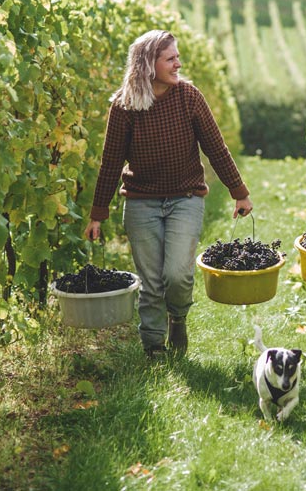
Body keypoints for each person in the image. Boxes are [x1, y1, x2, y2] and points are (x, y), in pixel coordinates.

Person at [84, 30, 252, 360]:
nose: (179, 63)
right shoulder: (124, 106)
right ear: (149, 65)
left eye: (177, 57)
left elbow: (215, 148)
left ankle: (178, 318)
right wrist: (98, 212)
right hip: (140, 201)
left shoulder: (188, 96)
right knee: (150, 281)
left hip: (185, 198)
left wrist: (239, 192)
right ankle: (153, 347)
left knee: (177, 274)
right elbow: (111, 161)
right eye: (170, 58)